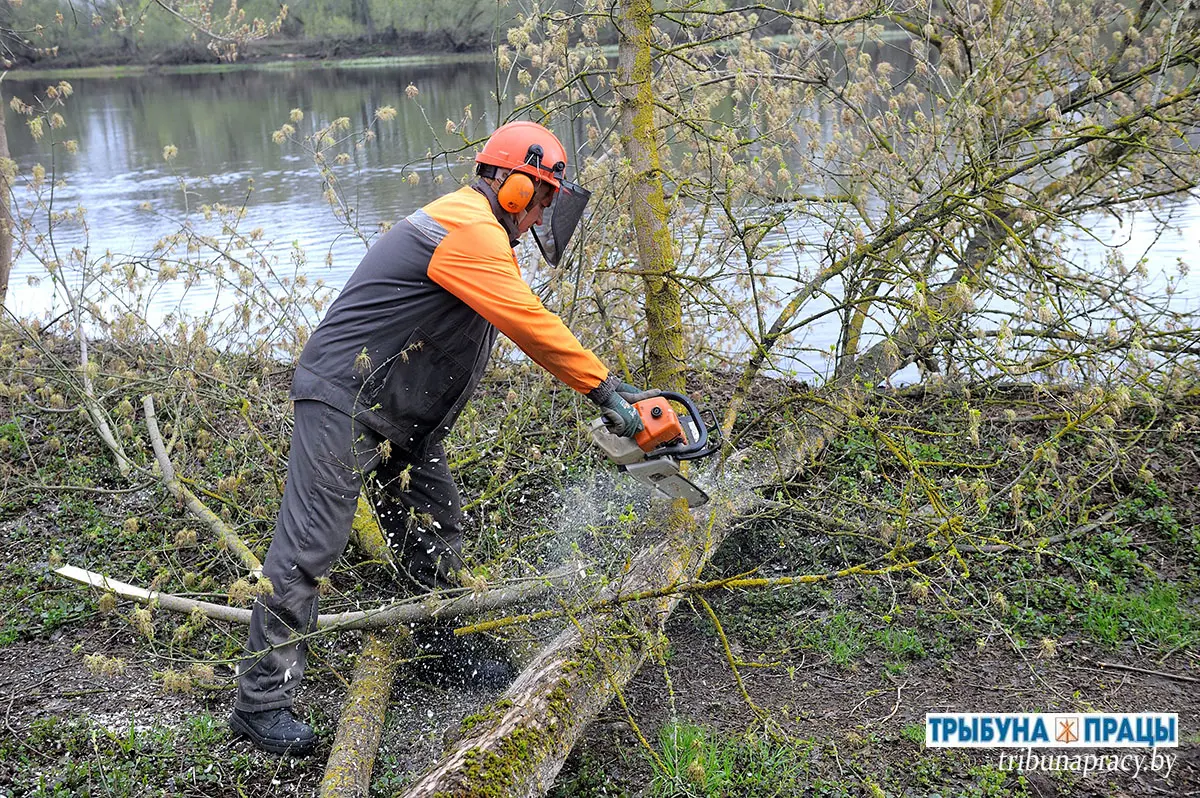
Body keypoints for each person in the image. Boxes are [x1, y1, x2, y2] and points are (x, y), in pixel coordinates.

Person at [229, 121, 647, 755]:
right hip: (346, 398)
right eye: (540, 200)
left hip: (399, 415)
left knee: (435, 524)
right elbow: (529, 322)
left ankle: (438, 647)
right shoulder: (467, 228)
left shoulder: (479, 232)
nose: (540, 216)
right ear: (513, 187)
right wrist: (605, 388)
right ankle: (260, 703)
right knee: (311, 543)